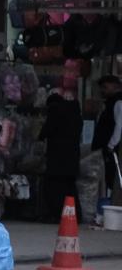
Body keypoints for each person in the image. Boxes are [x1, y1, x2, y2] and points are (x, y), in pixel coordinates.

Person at [40, 90, 83, 222]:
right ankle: (75, 215)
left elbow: (45, 132)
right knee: (70, 188)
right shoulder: (76, 114)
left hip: (57, 158)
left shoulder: (55, 111)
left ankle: (57, 214)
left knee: (53, 188)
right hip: (72, 157)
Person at [92, 74, 122, 222]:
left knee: (113, 179)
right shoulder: (110, 103)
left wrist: (111, 145)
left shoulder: (118, 102)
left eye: (105, 87)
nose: (103, 91)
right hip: (109, 149)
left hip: (113, 150)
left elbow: (120, 126)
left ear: (115, 86)